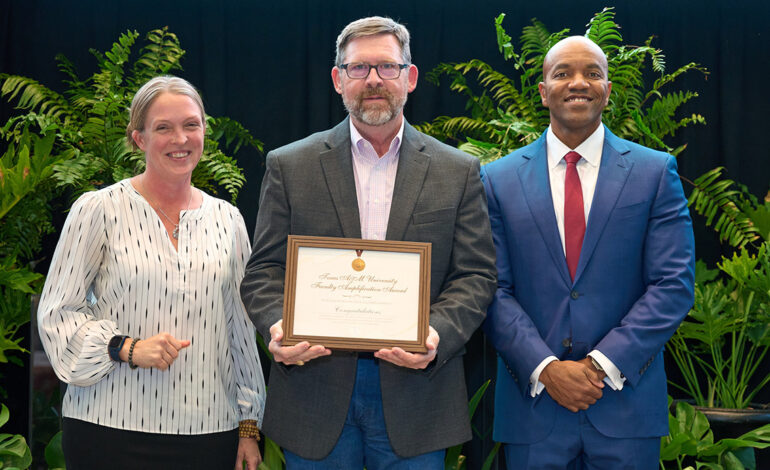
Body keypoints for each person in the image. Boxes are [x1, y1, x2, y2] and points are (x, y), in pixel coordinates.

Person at [240, 16, 496, 469]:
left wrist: (434, 333)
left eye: (387, 67)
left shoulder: (457, 170)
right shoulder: (289, 165)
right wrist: (280, 327)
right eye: (359, 69)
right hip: (313, 390)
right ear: (338, 80)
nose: (374, 80)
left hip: (418, 394)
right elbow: (263, 271)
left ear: (409, 77)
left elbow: (474, 275)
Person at [481, 36, 696, 469]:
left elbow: (672, 284)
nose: (578, 82)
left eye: (592, 73)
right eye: (563, 73)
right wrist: (547, 368)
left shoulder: (655, 173)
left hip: (625, 406)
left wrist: (599, 366)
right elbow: (489, 288)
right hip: (534, 409)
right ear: (543, 92)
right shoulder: (496, 180)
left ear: (608, 91)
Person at [37, 76, 266, 470]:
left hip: (208, 430)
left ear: (204, 132)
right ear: (139, 138)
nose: (180, 139)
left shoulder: (228, 220)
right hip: (107, 426)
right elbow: (58, 312)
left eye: (191, 125)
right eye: (164, 127)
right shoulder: (98, 210)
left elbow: (240, 328)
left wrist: (248, 423)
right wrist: (125, 347)